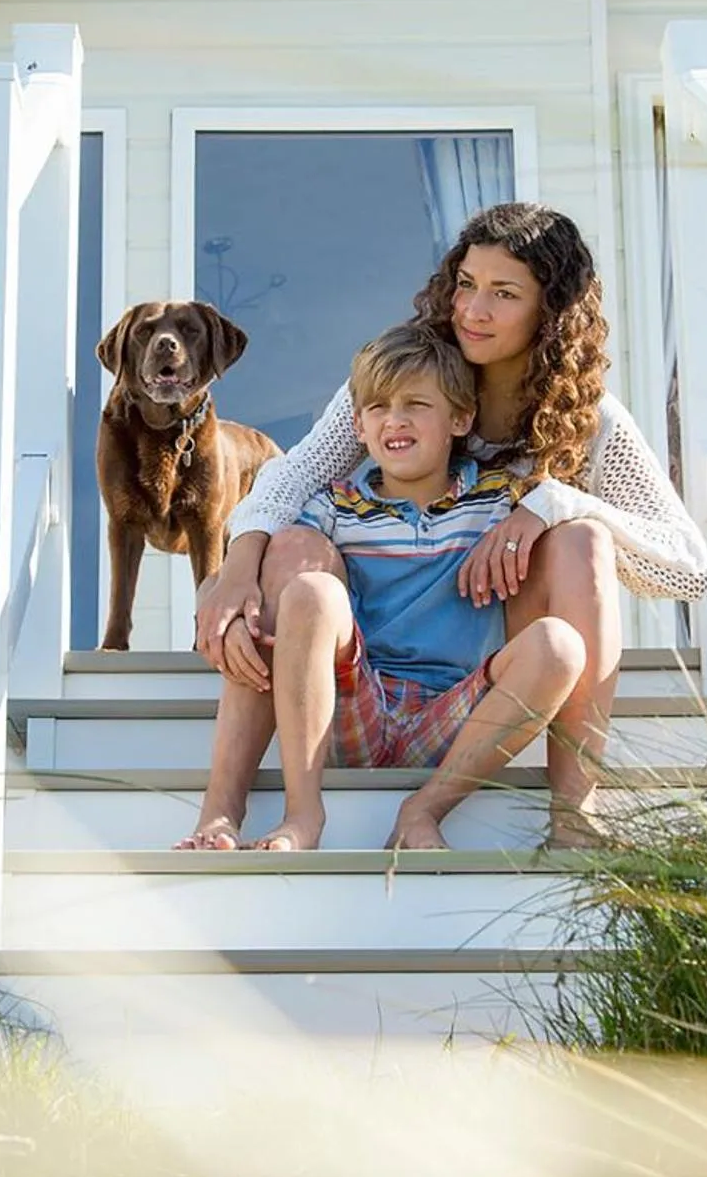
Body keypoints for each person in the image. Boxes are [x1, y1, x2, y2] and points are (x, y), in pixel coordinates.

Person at [177, 201, 707, 851]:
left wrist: (552, 504)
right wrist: (235, 573)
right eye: (465, 284)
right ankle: (232, 807)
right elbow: (289, 480)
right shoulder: (404, 379)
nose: (472, 310)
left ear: (552, 311)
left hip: (479, 664)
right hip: (362, 664)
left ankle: (573, 810)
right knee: (291, 545)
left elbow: (684, 563)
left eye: (503, 294)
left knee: (582, 538)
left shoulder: (588, 418)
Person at [246, 323, 587, 852]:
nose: (395, 419)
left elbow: (583, 509)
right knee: (311, 591)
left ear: (461, 418)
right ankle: (302, 816)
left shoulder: (500, 500)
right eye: (379, 407)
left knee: (559, 645)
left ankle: (422, 810)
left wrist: (539, 511)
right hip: (359, 704)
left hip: (454, 715)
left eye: (415, 405)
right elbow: (279, 567)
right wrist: (219, 583)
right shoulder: (335, 506)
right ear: (357, 424)